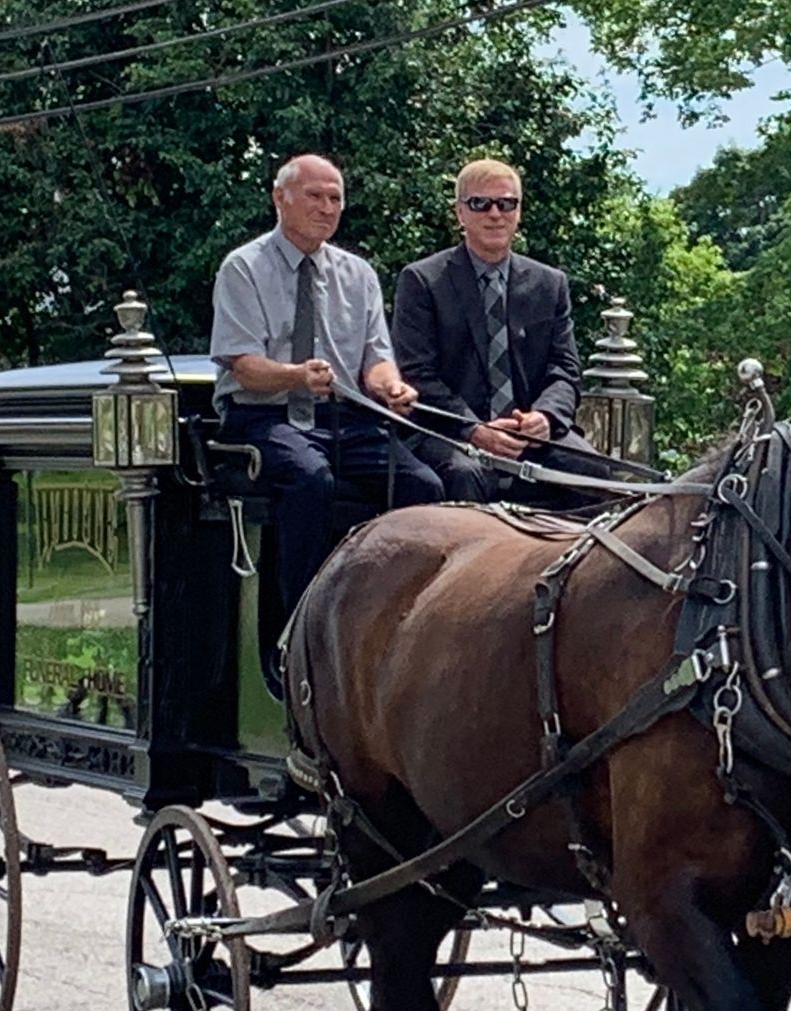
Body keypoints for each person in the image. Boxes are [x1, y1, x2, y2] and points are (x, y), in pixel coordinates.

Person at [210, 153, 445, 648]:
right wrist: (294, 376)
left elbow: (376, 361)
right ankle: (299, 628)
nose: (327, 207)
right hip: (263, 415)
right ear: (280, 199)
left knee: (423, 485)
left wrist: (391, 387)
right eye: (315, 196)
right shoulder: (243, 267)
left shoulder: (357, 274)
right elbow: (243, 364)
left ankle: (403, 622)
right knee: (309, 479)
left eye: (335, 198)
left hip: (343, 417)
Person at [391, 157, 603, 504]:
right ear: (460, 213)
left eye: (507, 203)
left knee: (591, 471)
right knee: (465, 475)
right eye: (480, 203)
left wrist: (545, 417)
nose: (495, 213)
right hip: (451, 433)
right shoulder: (422, 281)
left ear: (519, 212)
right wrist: (474, 430)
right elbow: (416, 373)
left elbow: (564, 368)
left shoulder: (549, 285)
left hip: (530, 435)